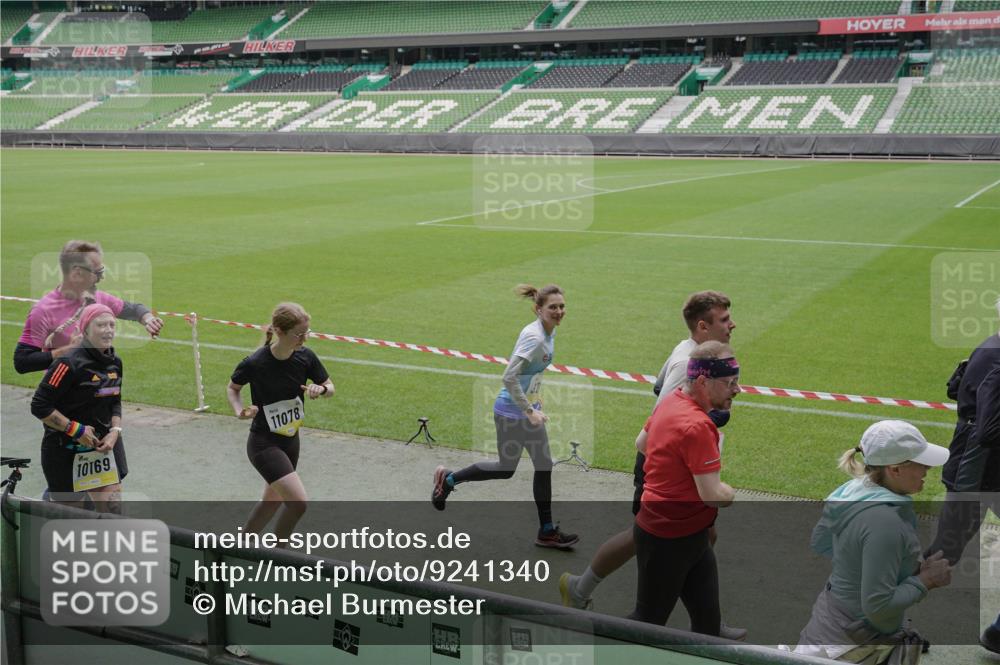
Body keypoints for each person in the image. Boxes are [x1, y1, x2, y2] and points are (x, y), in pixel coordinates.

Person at [561, 291, 744, 640]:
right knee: (647, 618)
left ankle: (709, 628)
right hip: (669, 519)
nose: (737, 390)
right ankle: (581, 624)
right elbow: (707, 488)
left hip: (685, 523)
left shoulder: (684, 381)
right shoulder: (690, 397)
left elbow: (647, 432)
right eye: (730, 383)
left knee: (702, 614)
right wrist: (702, 472)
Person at [431, 284, 578, 550]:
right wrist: (529, 410)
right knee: (506, 469)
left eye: (562, 306)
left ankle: (546, 531)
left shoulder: (548, 331)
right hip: (511, 413)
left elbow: (529, 373)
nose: (559, 311)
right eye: (553, 307)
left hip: (524, 409)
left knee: (543, 465)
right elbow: (509, 377)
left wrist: (535, 399)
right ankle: (449, 480)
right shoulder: (535, 337)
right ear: (538, 309)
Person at [794, 420, 953, 663]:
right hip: (850, 647)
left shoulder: (854, 491)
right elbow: (878, 607)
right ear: (895, 469)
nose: (927, 469)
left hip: (831, 627)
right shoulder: (885, 523)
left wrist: (900, 566)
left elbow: (822, 542)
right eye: (921, 463)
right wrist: (926, 580)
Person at [627, 341, 741, 635]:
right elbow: (713, 495)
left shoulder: (672, 400)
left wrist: (679, 469)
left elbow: (642, 443)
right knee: (646, 624)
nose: (737, 390)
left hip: (689, 535)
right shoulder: (698, 426)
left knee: (708, 625)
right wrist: (730, 492)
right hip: (669, 539)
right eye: (729, 383)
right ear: (703, 382)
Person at [227, 303, 334, 541]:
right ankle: (278, 553)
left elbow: (330, 387)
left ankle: (238, 546)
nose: (304, 339)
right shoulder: (256, 362)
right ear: (279, 331)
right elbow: (233, 388)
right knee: (298, 503)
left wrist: (321, 389)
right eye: (298, 334)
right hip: (264, 443)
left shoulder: (306, 357)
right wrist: (239, 411)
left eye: (307, 332)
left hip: (291, 440)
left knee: (272, 501)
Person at [29, 304, 127, 513]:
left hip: (102, 450)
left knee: (113, 510)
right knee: (72, 518)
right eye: (101, 325)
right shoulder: (67, 363)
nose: (108, 330)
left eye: (112, 325)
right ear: (86, 330)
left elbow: (115, 401)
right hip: (65, 451)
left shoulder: (115, 362)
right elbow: (39, 405)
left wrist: (115, 431)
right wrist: (76, 430)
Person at [14, 240, 163, 374]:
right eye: (98, 273)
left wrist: (148, 319)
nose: (101, 278)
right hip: (63, 392)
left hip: (99, 388)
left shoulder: (99, 298)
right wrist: (70, 350)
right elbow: (22, 362)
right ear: (77, 272)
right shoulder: (43, 310)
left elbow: (134, 309)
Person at [925, 320, 1000, 565]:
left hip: (979, 464)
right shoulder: (996, 361)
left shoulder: (991, 346)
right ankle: (889, 582)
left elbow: (957, 389)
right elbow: (988, 431)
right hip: (974, 467)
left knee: (947, 550)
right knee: (946, 551)